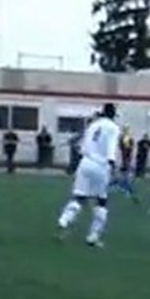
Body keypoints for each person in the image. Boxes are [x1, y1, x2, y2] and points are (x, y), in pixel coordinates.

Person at [56, 103, 121, 247]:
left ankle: (65, 219)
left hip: (85, 163)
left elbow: (83, 145)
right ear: (113, 115)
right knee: (101, 201)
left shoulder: (93, 125)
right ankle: (93, 235)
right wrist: (113, 165)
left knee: (79, 196)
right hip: (101, 165)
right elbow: (111, 148)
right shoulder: (113, 127)